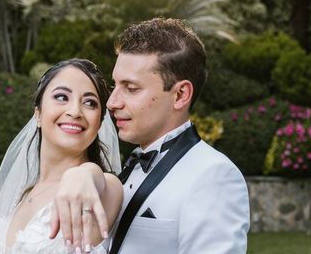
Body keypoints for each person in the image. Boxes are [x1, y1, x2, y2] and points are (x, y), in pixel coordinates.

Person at [51, 18, 250, 254]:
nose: (112, 103)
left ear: (180, 95)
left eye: (131, 88)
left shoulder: (214, 175)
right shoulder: (131, 167)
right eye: (115, 86)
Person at [0, 59, 123, 254]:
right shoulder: (22, 195)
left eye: (90, 102)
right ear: (38, 114)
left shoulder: (103, 191)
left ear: (99, 123)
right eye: (61, 97)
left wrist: (87, 172)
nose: (75, 111)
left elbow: (100, 181)